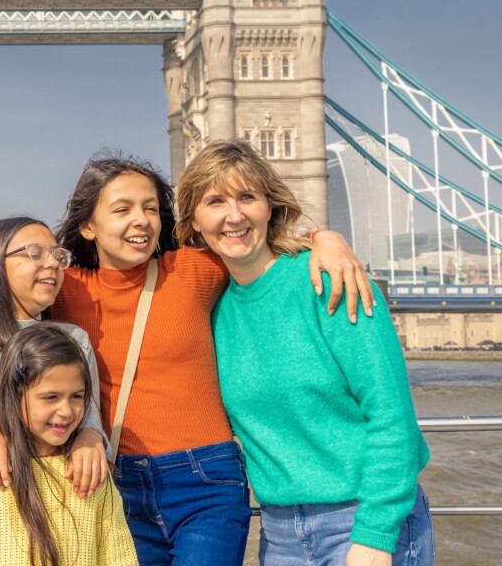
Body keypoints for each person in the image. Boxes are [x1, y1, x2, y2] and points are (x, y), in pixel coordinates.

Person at [51, 154, 373, 565]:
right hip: (115, 483)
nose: (142, 220)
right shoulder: (61, 292)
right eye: (122, 209)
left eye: (151, 208)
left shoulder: (192, 270)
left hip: (207, 480)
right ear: (87, 225)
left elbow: (251, 242)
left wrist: (326, 238)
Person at [175, 141, 433, 566]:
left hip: (363, 522)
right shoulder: (212, 307)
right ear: (194, 222)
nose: (234, 216)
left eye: (247, 197)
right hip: (279, 535)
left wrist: (376, 533)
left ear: (270, 207)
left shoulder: (329, 280)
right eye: (215, 201)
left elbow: (392, 416)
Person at [0, 324, 139, 566]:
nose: (66, 411)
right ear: (15, 394)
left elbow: (120, 559)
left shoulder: (90, 471)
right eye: (50, 397)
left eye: (77, 396)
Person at [0, 217, 109, 492]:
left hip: (66, 503)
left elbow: (90, 421)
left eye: (57, 255)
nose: (52, 263)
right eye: (35, 253)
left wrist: (92, 436)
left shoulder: (75, 339)